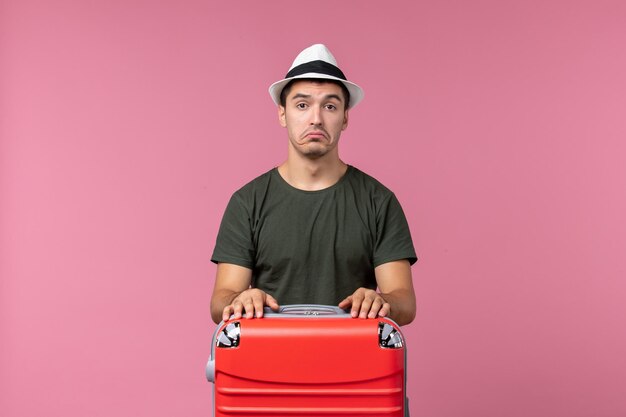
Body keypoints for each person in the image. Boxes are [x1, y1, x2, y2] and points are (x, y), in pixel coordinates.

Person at [210, 44, 417, 325]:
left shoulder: (378, 201)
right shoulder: (248, 201)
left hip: (357, 364)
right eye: (302, 105)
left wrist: (383, 301)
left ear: (345, 117)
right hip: (266, 363)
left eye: (330, 106)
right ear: (282, 114)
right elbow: (220, 301)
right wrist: (239, 299)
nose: (316, 118)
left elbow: (404, 302)